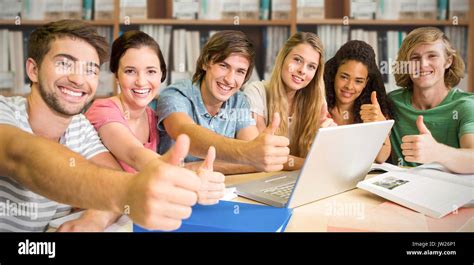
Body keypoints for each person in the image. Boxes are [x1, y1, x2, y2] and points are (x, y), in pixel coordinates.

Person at [0, 19, 202, 232]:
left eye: (90, 69)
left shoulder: (79, 125)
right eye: (64, 64)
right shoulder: (4, 110)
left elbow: (116, 176)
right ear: (33, 70)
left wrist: (95, 220)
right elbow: (21, 156)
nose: (78, 79)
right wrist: (129, 191)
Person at [85, 30, 224, 205]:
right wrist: (190, 182)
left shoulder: (154, 117)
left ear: (161, 75)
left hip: (134, 210)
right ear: (117, 75)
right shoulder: (103, 110)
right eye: (130, 71)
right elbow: (135, 155)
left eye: (151, 71)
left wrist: (196, 175)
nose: (141, 82)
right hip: (96, 211)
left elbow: (157, 171)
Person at [156, 30, 290, 174]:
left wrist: (196, 167)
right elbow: (188, 136)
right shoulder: (175, 95)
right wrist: (248, 154)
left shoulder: (239, 101)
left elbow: (256, 160)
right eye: (223, 66)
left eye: (240, 71)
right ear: (206, 63)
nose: (230, 79)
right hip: (175, 190)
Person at [243, 32, 336, 170]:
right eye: (297, 60)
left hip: (299, 180)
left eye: (311, 66)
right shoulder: (256, 92)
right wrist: (310, 165)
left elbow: (326, 158)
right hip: (265, 179)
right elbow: (265, 155)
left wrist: (326, 140)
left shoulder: (317, 100)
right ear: (283, 58)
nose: (302, 71)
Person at [390, 27, 474, 174]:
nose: (423, 65)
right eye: (415, 58)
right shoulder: (392, 103)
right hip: (398, 191)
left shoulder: (465, 106)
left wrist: (437, 152)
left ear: (448, 61)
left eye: (432, 56)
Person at [324, 40, 395, 163]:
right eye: (344, 77)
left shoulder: (373, 111)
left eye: (358, 81)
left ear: (366, 83)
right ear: (334, 74)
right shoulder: (318, 106)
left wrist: (379, 125)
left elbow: (381, 158)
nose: (349, 86)